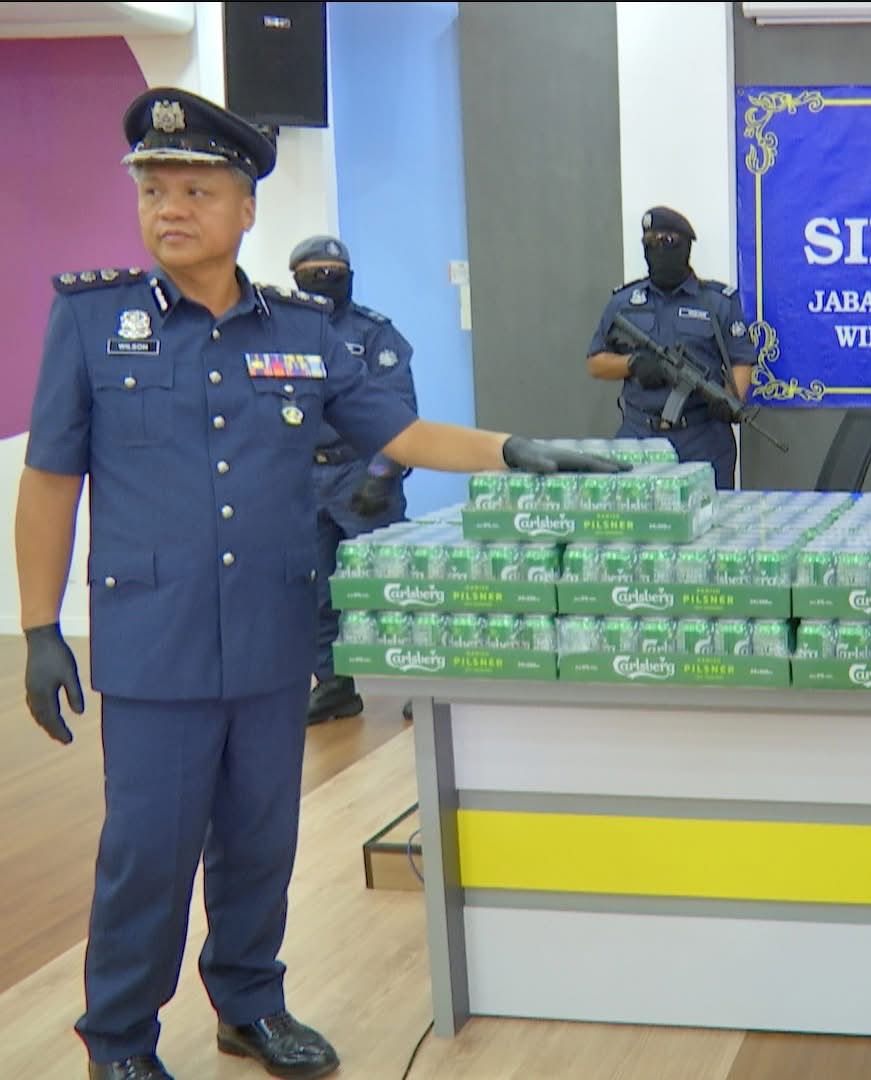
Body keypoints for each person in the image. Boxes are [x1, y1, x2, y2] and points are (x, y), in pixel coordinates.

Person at [16, 87, 622, 1080]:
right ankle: (119, 1039)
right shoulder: (92, 322)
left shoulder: (300, 333)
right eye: (154, 190)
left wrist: (516, 449)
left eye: (196, 191)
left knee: (260, 840)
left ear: (246, 207)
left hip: (270, 633)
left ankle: (249, 1004)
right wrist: (41, 628)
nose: (170, 209)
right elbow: (49, 480)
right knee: (147, 854)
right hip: (155, 643)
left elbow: (400, 430)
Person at [287, 234, 417, 724]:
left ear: (350, 278)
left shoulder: (375, 333)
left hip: (360, 469)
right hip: (301, 476)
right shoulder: (280, 331)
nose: (325, 281)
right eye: (314, 274)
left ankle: (423, 683)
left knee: (391, 586)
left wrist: (382, 473)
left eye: (334, 274)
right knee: (315, 591)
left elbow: (399, 411)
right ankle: (334, 685)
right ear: (295, 278)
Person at [584, 207, 755, 487]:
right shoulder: (625, 302)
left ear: (685, 246)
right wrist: (632, 364)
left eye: (666, 241)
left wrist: (729, 399)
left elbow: (741, 359)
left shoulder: (717, 302)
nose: (658, 250)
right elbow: (596, 363)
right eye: (650, 242)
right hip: (639, 435)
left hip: (702, 438)